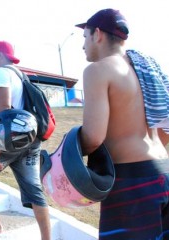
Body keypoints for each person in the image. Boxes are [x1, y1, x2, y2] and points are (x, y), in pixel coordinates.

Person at [75, 9, 169, 239]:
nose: (83, 45)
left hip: (131, 180)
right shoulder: (148, 69)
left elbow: (94, 137)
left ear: (97, 34)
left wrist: (67, 155)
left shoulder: (98, 70)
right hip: (163, 172)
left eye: (84, 37)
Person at [0, 41, 51, 238]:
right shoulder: (19, 74)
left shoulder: (1, 73)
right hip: (30, 138)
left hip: (8, 139)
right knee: (34, 189)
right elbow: (16, 104)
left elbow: (5, 108)